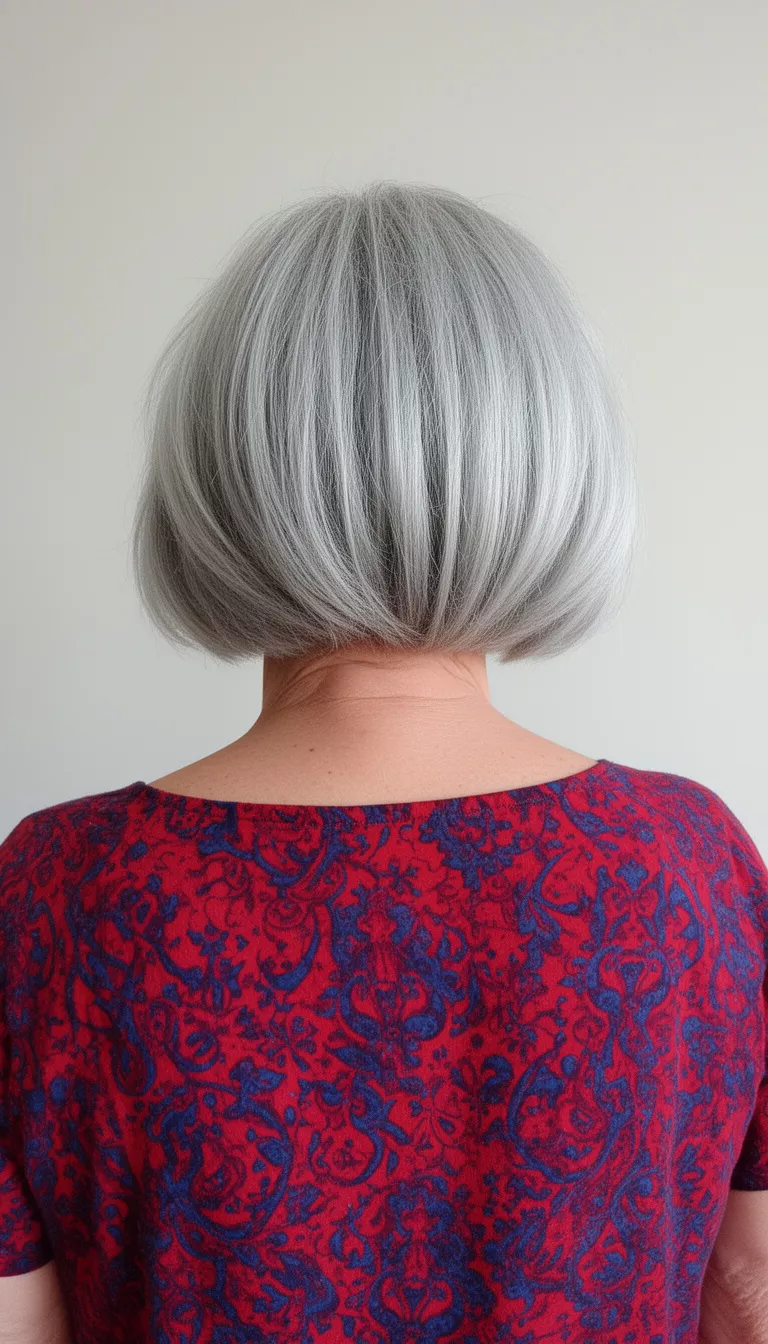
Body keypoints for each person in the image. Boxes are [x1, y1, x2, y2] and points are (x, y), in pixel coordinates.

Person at [0, 181, 766, 1344]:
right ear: (548, 463)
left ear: (216, 476)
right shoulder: (687, 863)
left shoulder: (59, 888)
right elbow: (747, 1290)